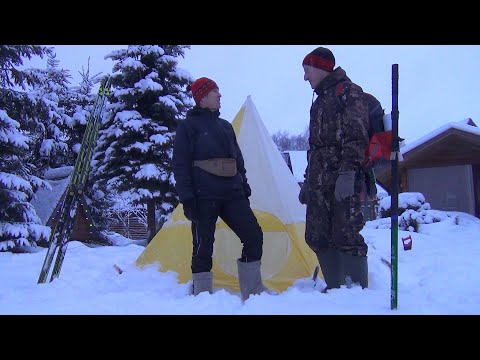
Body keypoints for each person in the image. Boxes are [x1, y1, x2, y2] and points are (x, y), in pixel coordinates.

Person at [172, 77, 270, 301]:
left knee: (254, 236)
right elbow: (180, 164)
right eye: (215, 91)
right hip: (203, 196)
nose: (220, 95)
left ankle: (253, 292)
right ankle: (202, 295)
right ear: (202, 97)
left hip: (233, 194)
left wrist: (243, 185)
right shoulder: (187, 127)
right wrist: (187, 198)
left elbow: (238, 159)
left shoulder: (225, 126)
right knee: (203, 246)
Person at [299, 47, 370, 291]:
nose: (305, 77)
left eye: (307, 70)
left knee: (346, 236)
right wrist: (308, 180)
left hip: (342, 179)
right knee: (316, 237)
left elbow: (357, 137)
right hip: (319, 183)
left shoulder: (348, 92)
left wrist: (348, 174)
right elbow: (314, 147)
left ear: (320, 68)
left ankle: (357, 295)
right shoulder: (319, 102)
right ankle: (336, 289)